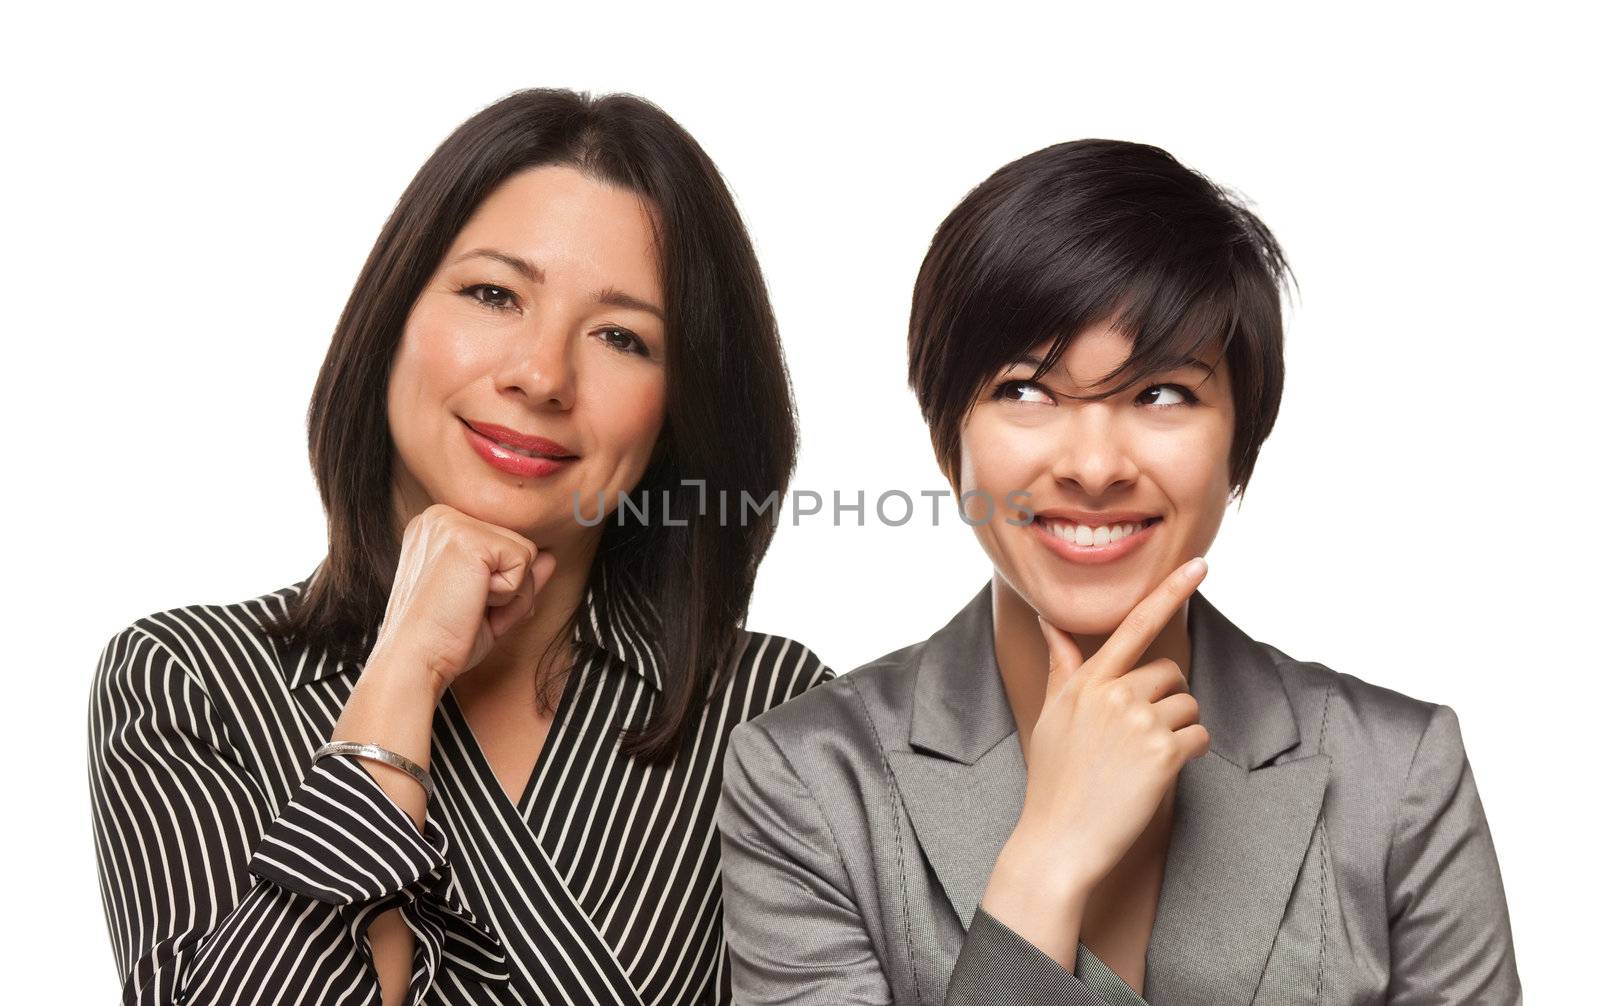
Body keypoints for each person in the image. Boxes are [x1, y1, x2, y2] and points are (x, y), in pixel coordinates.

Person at [716, 139, 1521, 1004]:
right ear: (950, 440)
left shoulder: (1397, 776)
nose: (1094, 467)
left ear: (1240, 442)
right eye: (1026, 390)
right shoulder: (809, 778)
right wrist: (1047, 858)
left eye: (1161, 393)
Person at [88, 88, 831, 1006]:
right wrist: (403, 674)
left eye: (621, 337)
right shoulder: (192, 681)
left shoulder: (769, 711)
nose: (540, 374)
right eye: (493, 293)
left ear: (680, 406)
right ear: (393, 314)